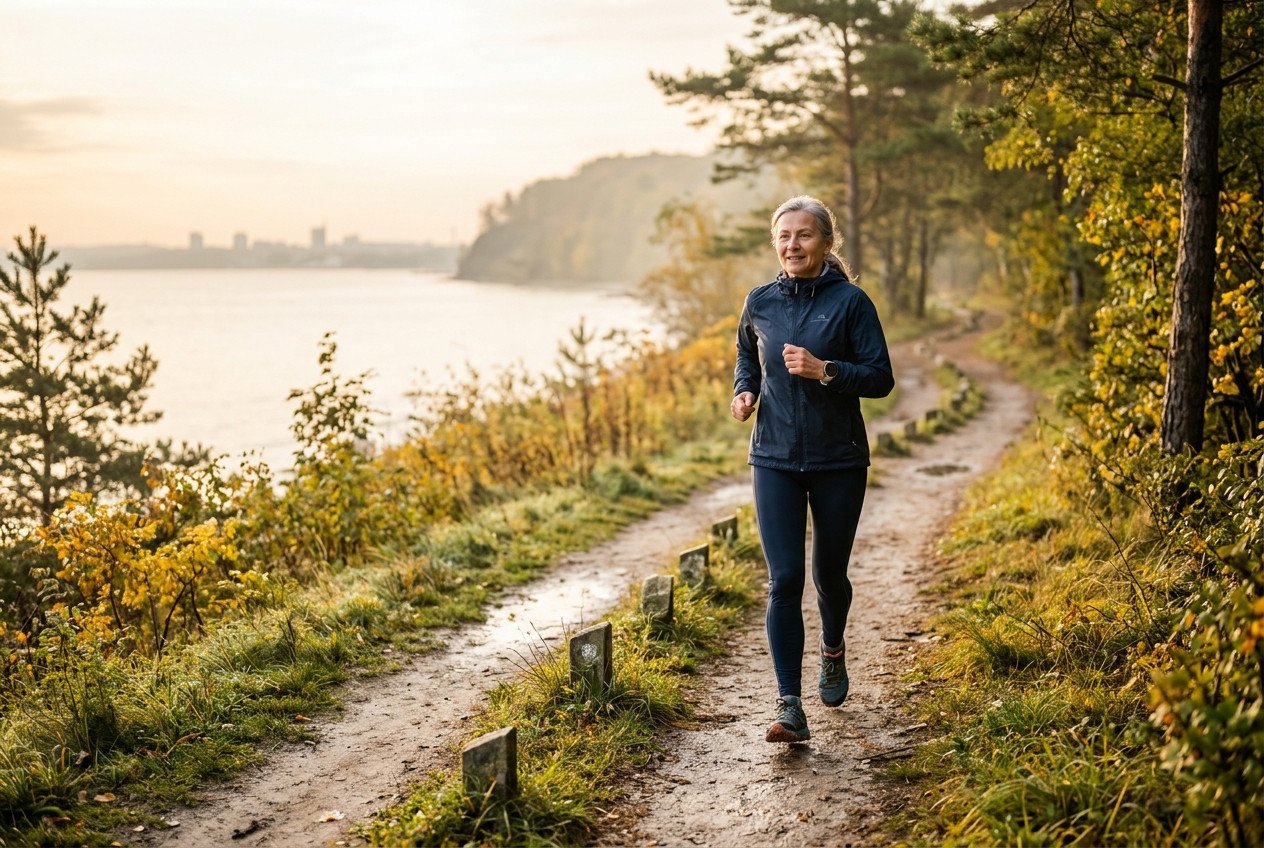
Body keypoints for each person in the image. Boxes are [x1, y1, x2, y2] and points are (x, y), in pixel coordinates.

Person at [731, 195, 894, 743]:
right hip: (773, 456)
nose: (792, 245)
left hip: (837, 459)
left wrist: (826, 371)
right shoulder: (759, 301)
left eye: (803, 236)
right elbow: (747, 355)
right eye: (783, 236)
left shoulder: (851, 302)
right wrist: (744, 390)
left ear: (826, 242)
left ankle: (833, 648)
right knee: (784, 580)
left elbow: (879, 377)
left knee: (828, 575)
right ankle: (788, 704)